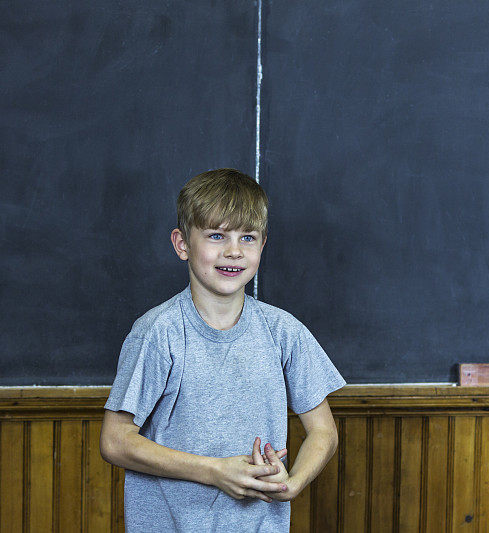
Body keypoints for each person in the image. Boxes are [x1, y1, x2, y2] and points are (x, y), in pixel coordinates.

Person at [100, 168, 345, 532]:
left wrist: (289, 484)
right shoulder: (158, 332)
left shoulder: (284, 332)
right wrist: (215, 471)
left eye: (247, 237)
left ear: (262, 245)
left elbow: (324, 431)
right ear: (182, 244)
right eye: (216, 235)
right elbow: (115, 440)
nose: (233, 251)